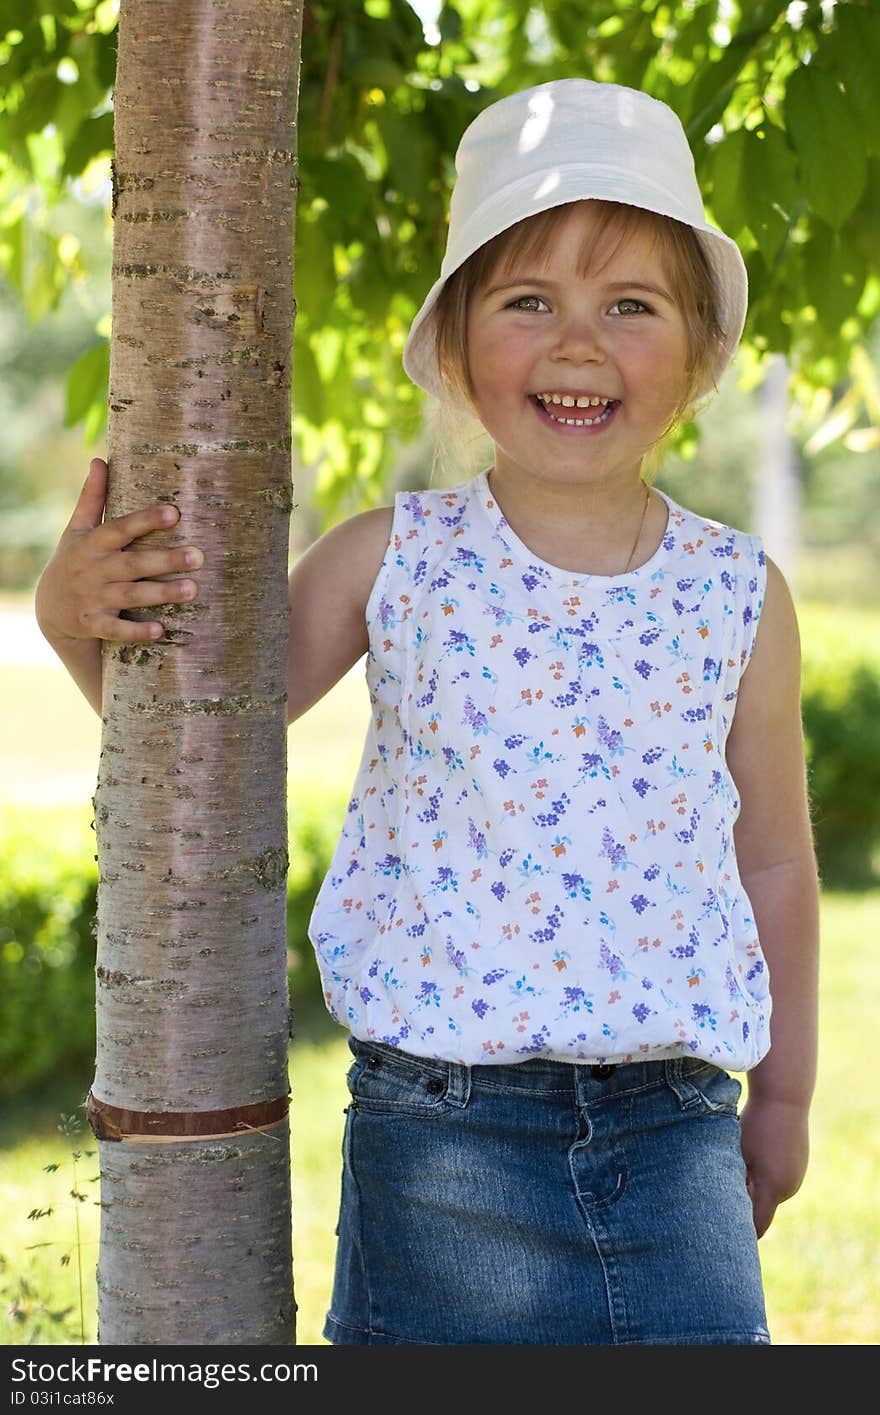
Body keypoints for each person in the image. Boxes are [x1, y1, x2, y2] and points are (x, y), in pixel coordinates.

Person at [36, 78, 819, 1346]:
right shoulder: (389, 556)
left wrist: (782, 1097)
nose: (578, 345)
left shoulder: (739, 592)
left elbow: (775, 854)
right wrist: (71, 611)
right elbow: (200, 748)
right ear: (453, 342)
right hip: (438, 1138)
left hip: (679, 1131)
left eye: (630, 305)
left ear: (700, 351)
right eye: (528, 302)